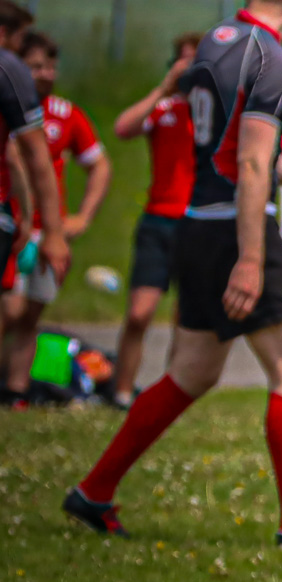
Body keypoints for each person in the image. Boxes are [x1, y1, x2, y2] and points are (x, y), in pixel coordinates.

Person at [63, 0, 282, 547]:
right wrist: (253, 259)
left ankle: (93, 491)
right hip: (238, 226)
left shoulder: (213, 44)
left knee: (194, 370)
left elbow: (247, 152)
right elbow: (254, 164)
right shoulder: (272, 60)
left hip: (195, 223)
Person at [2, 31, 110, 404]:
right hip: (12, 226)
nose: (46, 74)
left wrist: (81, 218)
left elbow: (99, 165)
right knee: (9, 310)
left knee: (29, 316)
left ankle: (16, 393)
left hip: (48, 233)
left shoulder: (66, 114)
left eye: (51, 66)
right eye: (35, 66)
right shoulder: (9, 108)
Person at [110, 32, 201, 404]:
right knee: (139, 313)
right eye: (184, 61)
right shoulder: (163, 110)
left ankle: (170, 397)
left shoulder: (214, 111)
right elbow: (123, 128)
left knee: (185, 319)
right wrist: (165, 88)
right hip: (158, 220)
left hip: (196, 222)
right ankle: (119, 391)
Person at [0, 0, 70, 396]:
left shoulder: (64, 112)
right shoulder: (8, 68)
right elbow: (31, 157)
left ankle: (15, 390)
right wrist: (44, 226)